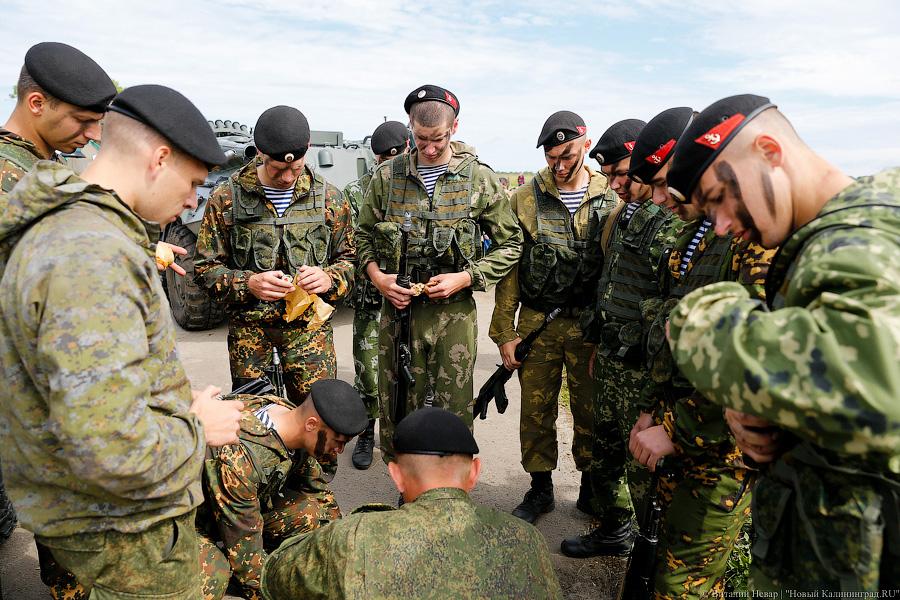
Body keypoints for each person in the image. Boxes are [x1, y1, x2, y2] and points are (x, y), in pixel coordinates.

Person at [0, 84, 244, 598]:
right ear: (159, 158)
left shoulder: (76, 227)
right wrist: (198, 427)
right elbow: (111, 449)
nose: (192, 202)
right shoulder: (93, 255)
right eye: (194, 182)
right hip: (120, 529)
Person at [664, 93, 900, 592]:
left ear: (769, 151)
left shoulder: (861, 240)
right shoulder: (823, 239)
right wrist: (768, 409)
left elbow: (873, 391)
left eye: (719, 199)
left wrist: (699, 318)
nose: (723, 226)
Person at [626, 106, 774, 597]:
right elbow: (670, 335)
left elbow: (752, 369)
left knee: (681, 585)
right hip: (676, 434)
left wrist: (671, 427)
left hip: (719, 450)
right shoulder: (693, 236)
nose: (662, 199)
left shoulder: (749, 238)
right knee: (661, 563)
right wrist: (650, 409)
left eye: (669, 182)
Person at [355, 84, 523, 461]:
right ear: (409, 129)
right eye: (420, 139)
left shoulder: (478, 179)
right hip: (400, 312)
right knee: (398, 402)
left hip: (454, 313)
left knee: (454, 406)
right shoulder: (386, 177)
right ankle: (405, 480)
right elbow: (362, 236)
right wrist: (379, 279)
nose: (429, 149)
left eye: (438, 139)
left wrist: (466, 277)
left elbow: (511, 244)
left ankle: (452, 484)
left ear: (455, 128)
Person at [260, 406, 562, 599]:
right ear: (475, 473)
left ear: (396, 476)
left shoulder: (352, 537)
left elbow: (274, 578)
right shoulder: (528, 541)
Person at [561, 119, 681, 558]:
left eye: (623, 174)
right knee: (606, 445)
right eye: (609, 175)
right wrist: (598, 345)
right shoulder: (622, 214)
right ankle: (614, 526)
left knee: (637, 458)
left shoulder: (666, 220)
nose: (615, 185)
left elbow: (670, 302)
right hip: (612, 356)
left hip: (641, 367)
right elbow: (608, 282)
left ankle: (647, 540)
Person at [489, 111, 615, 524]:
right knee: (536, 410)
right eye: (551, 158)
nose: (559, 166)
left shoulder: (609, 198)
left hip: (588, 328)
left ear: (586, 145)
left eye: (568, 156)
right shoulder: (524, 199)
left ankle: (589, 488)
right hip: (537, 324)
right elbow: (510, 270)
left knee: (589, 409)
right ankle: (540, 488)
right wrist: (505, 331)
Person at [194, 105, 356, 405]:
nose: (286, 177)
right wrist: (249, 284)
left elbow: (350, 262)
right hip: (250, 337)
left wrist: (329, 278)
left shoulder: (330, 199)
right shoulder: (226, 198)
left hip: (310, 334)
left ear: (307, 149)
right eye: (277, 168)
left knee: (317, 417)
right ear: (259, 153)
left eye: (294, 169)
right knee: (257, 423)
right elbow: (205, 270)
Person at [199, 379, 368, 599]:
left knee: (312, 515)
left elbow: (318, 492)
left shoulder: (290, 418)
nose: (339, 450)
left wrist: (341, 553)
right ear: (311, 424)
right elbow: (245, 552)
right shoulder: (242, 459)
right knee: (212, 574)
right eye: (337, 441)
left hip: (236, 507)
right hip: (189, 519)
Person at [343, 120, 409, 470]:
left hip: (410, 298)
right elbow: (352, 243)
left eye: (395, 154)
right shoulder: (357, 191)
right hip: (371, 298)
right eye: (382, 157)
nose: (388, 162)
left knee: (409, 371)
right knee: (368, 373)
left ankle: (404, 439)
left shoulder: (415, 187)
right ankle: (367, 430)